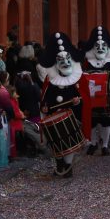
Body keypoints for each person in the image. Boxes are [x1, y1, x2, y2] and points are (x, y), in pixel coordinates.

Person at [36, 32, 85, 178]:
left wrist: (77, 101)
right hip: (53, 115)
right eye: (60, 59)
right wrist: (44, 106)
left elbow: (83, 97)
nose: (65, 62)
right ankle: (59, 163)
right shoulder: (49, 79)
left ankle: (68, 165)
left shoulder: (77, 78)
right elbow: (45, 96)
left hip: (71, 116)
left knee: (68, 141)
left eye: (67, 58)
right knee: (55, 141)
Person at [80, 27, 110, 156]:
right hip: (91, 97)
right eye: (97, 45)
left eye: (103, 45)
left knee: (106, 120)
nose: (100, 48)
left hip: (107, 97)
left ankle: (105, 145)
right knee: (92, 120)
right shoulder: (87, 62)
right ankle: (93, 143)